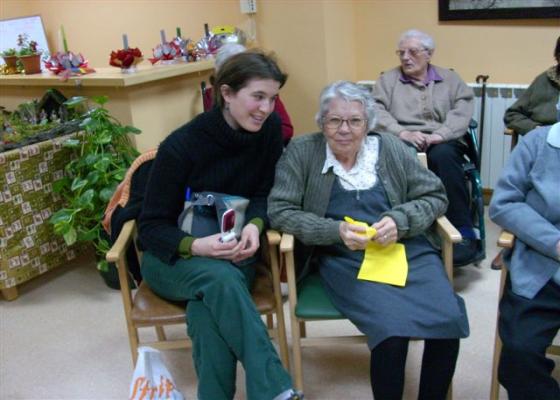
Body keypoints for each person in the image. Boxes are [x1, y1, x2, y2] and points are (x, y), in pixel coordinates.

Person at [268, 81, 469, 400]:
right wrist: (333, 231)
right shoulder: (302, 152)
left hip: (407, 249)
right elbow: (280, 211)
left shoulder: (390, 148)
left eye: (354, 121)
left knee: (448, 320)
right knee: (391, 330)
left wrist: (399, 220)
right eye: (334, 120)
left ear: (368, 123)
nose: (344, 129)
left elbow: (434, 196)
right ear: (321, 122)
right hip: (345, 258)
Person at [138, 50, 302, 400]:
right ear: (226, 93)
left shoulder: (270, 131)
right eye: (258, 97)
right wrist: (197, 246)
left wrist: (254, 225)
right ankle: (275, 389)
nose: (267, 109)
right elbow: (150, 228)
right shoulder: (181, 146)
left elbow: (264, 193)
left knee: (206, 314)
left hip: (233, 253)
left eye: (273, 98)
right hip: (173, 259)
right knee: (219, 280)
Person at [372, 29, 478, 266]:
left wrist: (442, 134)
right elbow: (375, 110)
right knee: (401, 158)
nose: (405, 57)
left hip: (442, 139)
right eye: (401, 53)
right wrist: (402, 132)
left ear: (429, 54)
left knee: (445, 157)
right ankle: (412, 231)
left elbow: (463, 109)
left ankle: (461, 230)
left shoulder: (450, 79)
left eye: (412, 52)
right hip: (400, 138)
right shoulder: (387, 80)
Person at [489, 101, 560, 400]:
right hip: (541, 269)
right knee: (518, 356)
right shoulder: (537, 143)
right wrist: (554, 242)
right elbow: (503, 204)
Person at [491, 36, 560, 271]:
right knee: (532, 199)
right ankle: (516, 245)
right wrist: (536, 131)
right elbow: (513, 114)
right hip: (545, 149)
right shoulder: (544, 81)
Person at [202, 43, 294, 145]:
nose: (266, 109)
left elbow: (286, 128)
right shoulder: (197, 137)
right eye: (258, 96)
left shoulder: (268, 97)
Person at [504, 36, 560, 136]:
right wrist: (534, 128)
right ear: (558, 56)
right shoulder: (544, 80)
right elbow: (512, 115)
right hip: (544, 138)